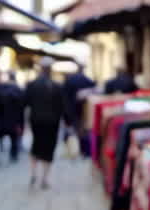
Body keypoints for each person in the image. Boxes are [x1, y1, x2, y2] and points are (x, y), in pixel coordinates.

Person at [24, 61, 66, 189]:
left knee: (36, 145)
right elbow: (62, 106)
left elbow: (25, 103)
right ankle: (44, 178)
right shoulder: (57, 86)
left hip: (36, 120)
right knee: (49, 148)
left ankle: (33, 173)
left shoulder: (32, 85)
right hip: (52, 122)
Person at [62, 65, 97, 157]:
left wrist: (66, 114)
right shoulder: (88, 80)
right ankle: (84, 150)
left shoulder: (70, 81)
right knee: (83, 131)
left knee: (72, 130)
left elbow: (65, 98)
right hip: (84, 110)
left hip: (72, 110)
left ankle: (70, 150)